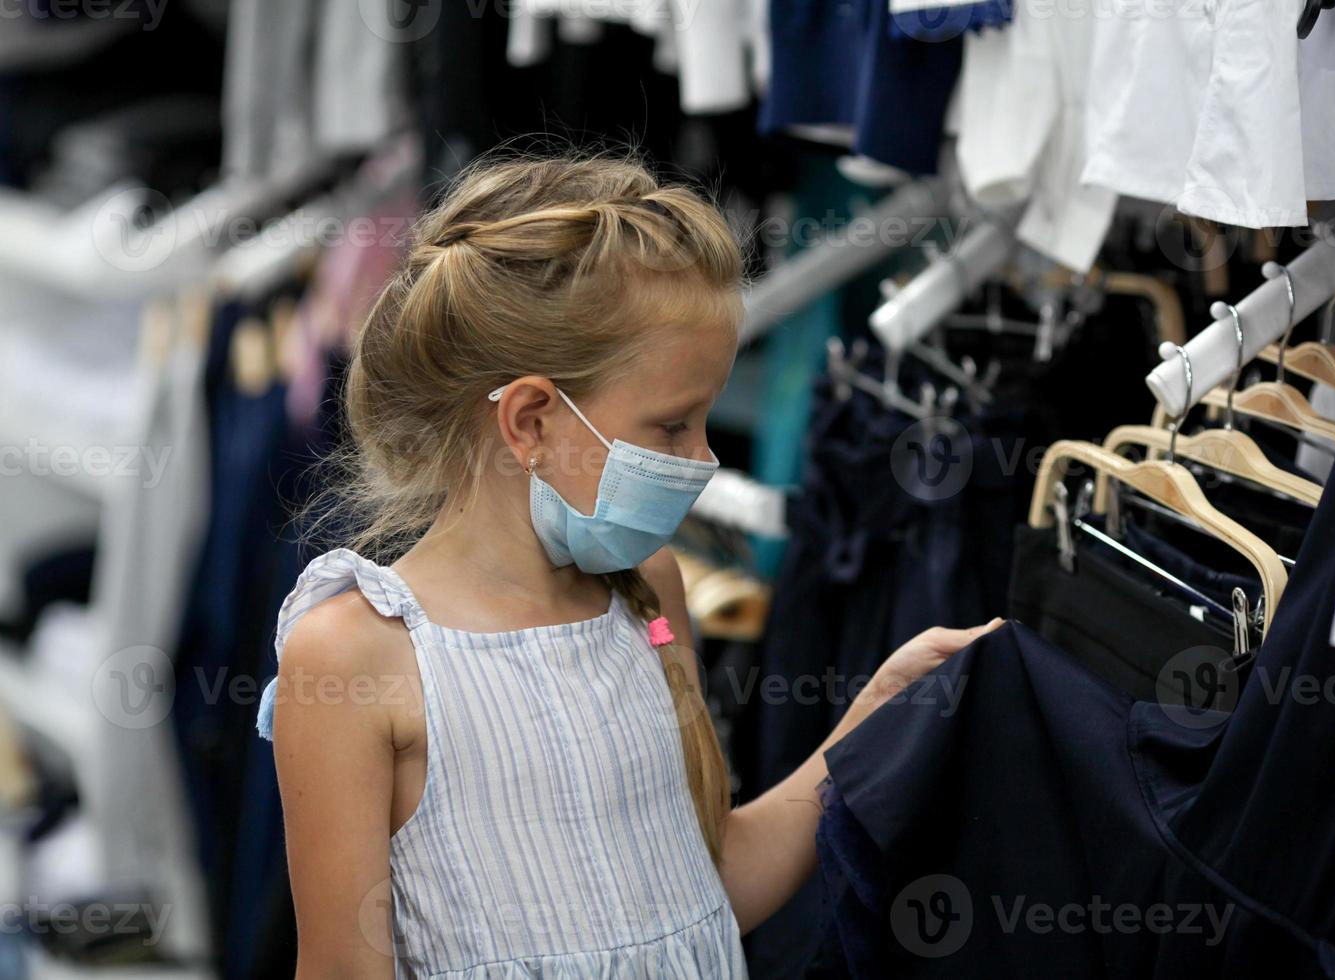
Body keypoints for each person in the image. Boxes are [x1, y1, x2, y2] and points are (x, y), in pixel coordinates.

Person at [258, 151, 1003, 978]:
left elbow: (707, 885)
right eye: (674, 426)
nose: (706, 458)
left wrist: (881, 707)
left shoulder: (649, 591)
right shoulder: (356, 657)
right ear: (532, 421)